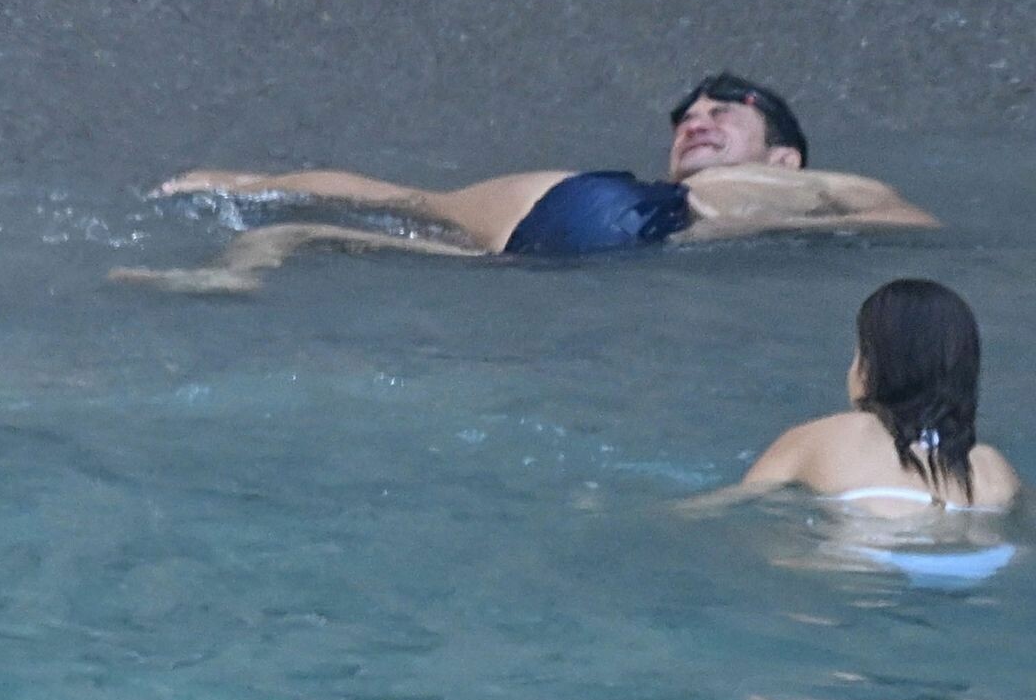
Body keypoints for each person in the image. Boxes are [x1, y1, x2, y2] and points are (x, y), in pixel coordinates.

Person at [111, 72, 939, 291]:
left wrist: (760, 224)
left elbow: (907, 224)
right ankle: (229, 276)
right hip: (541, 238)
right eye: (686, 115)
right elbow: (390, 194)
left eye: (724, 112)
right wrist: (250, 179)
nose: (697, 119)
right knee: (298, 229)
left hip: (629, 231)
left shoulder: (799, 184)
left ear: (784, 153)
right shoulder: (647, 188)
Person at [682, 279, 1018, 517]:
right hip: (982, 556)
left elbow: (724, 506)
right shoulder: (993, 468)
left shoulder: (829, 437)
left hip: (867, 553)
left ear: (872, 366)